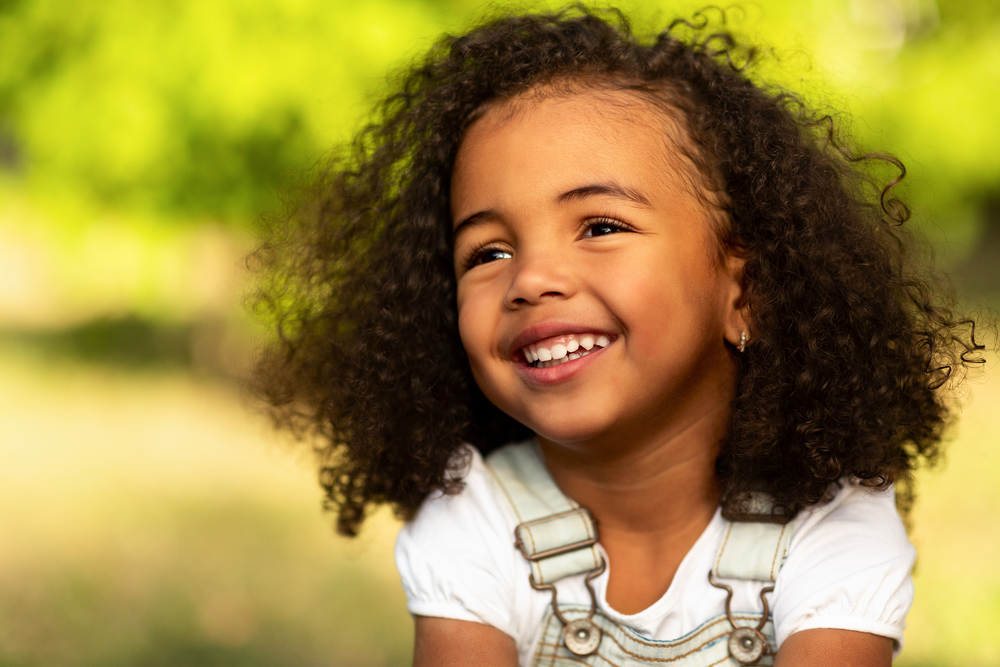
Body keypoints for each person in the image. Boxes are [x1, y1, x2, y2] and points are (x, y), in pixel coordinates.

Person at [249, 6, 985, 666]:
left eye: (600, 226)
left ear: (746, 294)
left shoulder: (833, 523)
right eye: (488, 252)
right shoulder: (475, 514)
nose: (530, 279)